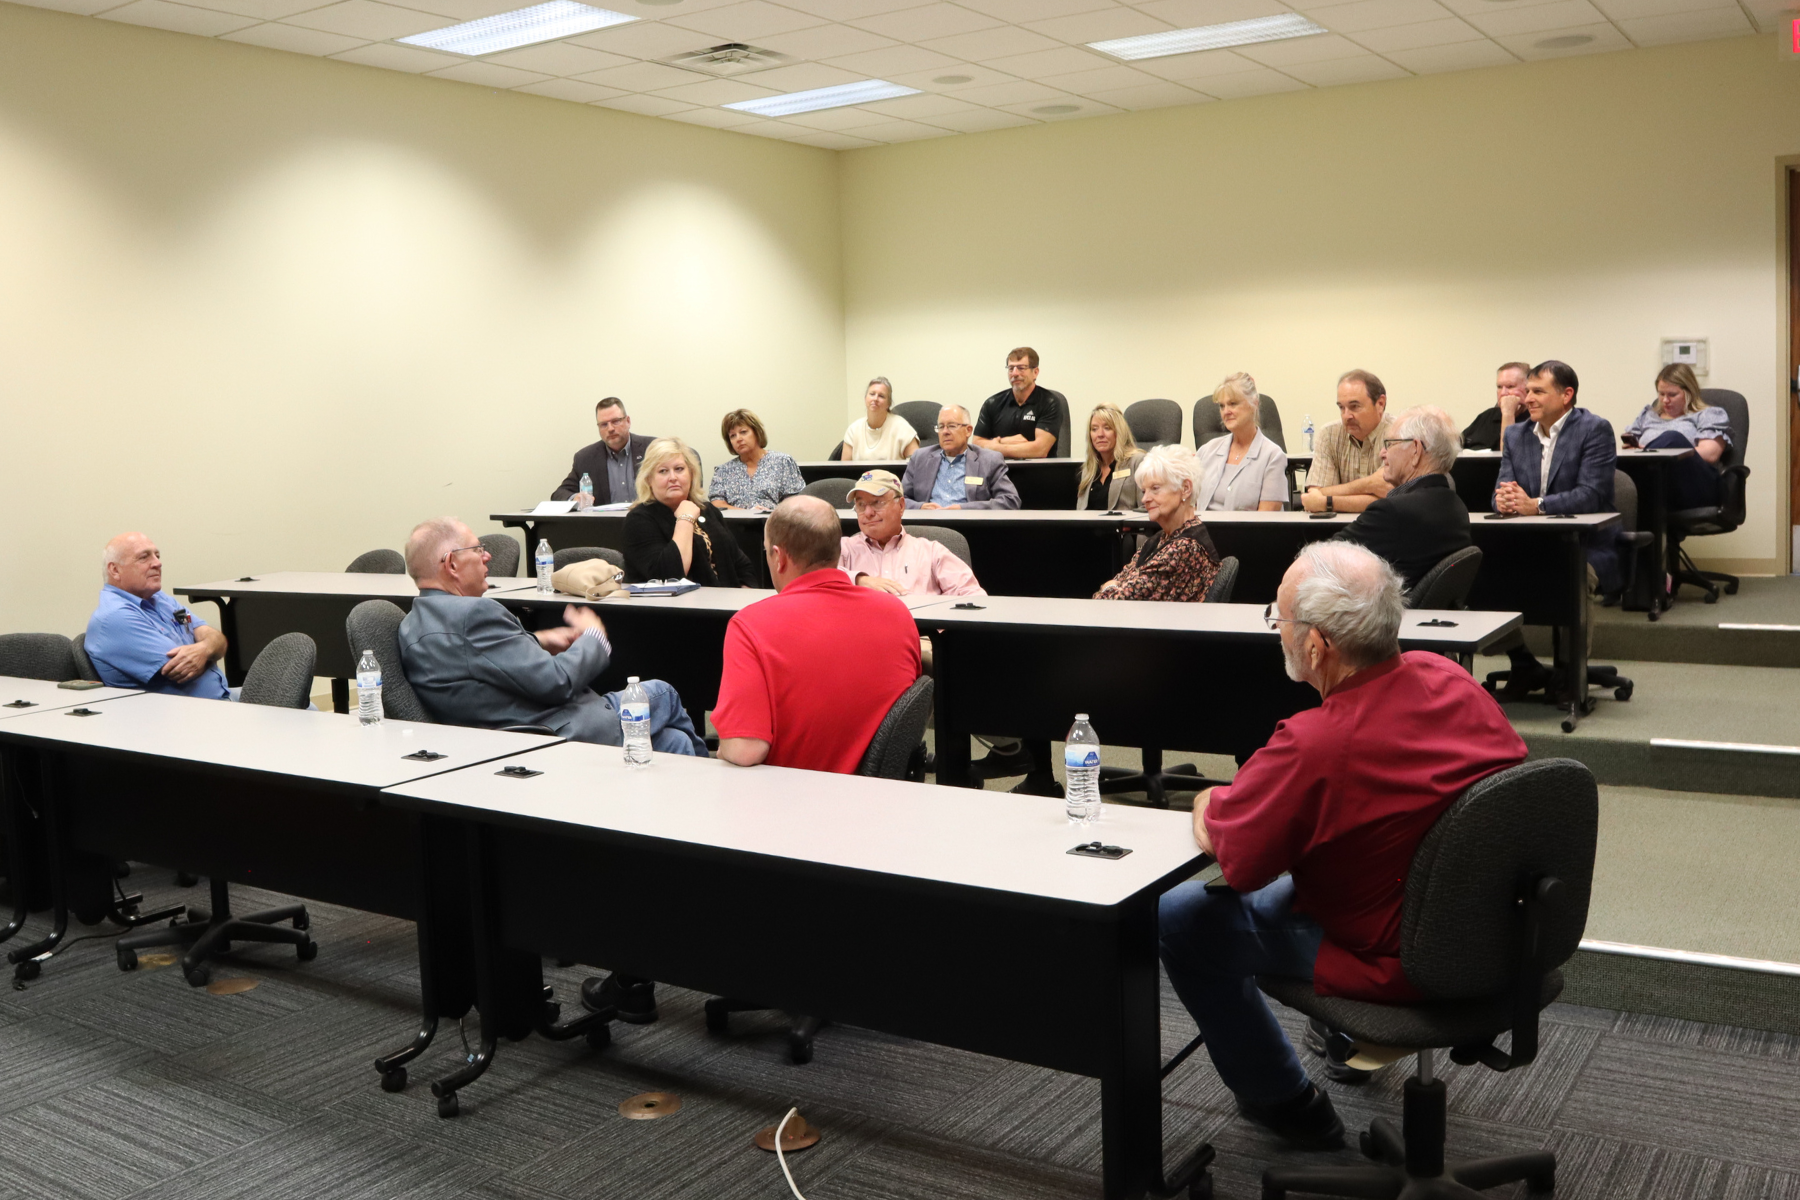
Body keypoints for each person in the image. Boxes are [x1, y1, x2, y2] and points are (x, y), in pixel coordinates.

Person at [1158, 541, 1526, 1148]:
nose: (1276, 630)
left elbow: (1237, 858)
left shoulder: (1316, 744)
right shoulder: (1451, 677)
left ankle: (1286, 1103)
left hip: (1397, 955)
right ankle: (1332, 1045)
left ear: (1316, 645)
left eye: (1279, 618)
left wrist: (1206, 799)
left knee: (1181, 916)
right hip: (1490, 927)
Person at [397, 516, 705, 754]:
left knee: (674, 742)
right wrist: (593, 637)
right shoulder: (475, 614)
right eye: (478, 550)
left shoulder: (411, 624)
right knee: (663, 692)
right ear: (452, 563)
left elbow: (477, 663)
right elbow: (557, 682)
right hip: (555, 734)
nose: (487, 556)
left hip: (505, 735)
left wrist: (540, 640)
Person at [714, 496, 921, 773]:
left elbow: (744, 750)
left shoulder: (750, 626)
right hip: (883, 792)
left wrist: (720, 749)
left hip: (790, 794)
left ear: (779, 557)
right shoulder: (897, 614)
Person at [1492, 360, 1619, 697]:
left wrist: (1536, 505)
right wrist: (1503, 501)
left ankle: (1570, 672)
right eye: (1527, 391)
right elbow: (1501, 488)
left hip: (1585, 544)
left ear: (1566, 395)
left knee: (1571, 575)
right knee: (1481, 572)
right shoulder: (1516, 434)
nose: (1527, 398)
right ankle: (1522, 662)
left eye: (1538, 391)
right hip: (1531, 543)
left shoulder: (1594, 429)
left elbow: (1591, 495)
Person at [1334, 406, 1472, 591]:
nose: (1382, 453)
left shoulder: (1393, 512)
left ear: (1415, 450)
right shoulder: (1457, 506)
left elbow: (1323, 558)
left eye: (1390, 444)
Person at [85, 532, 230, 699]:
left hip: (221, 700)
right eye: (144, 557)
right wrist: (209, 648)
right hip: (186, 712)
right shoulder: (116, 617)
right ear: (115, 570)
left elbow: (206, 632)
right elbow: (185, 666)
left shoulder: (164, 601)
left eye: (157, 556)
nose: (157, 563)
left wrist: (204, 649)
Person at [1094, 445, 1221, 602]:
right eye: (1144, 491)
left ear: (1185, 488)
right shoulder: (1163, 538)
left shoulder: (1184, 548)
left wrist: (1108, 587)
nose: (1144, 499)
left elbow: (1111, 601)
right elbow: (1122, 581)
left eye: (1155, 488)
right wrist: (1114, 586)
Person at [622, 438, 753, 586]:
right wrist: (685, 518)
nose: (673, 478)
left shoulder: (707, 509)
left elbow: (741, 563)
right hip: (679, 600)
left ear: (691, 473)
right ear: (649, 480)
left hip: (728, 598)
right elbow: (669, 576)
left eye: (679, 469)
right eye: (663, 471)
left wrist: (745, 591)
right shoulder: (638, 520)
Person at [840, 470, 986, 599]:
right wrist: (859, 580)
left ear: (901, 505)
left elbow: (973, 596)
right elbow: (825, 577)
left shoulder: (931, 552)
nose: (868, 513)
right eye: (861, 505)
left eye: (877, 502)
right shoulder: (843, 549)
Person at [1620, 363, 1730, 510]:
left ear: (1689, 392)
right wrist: (1635, 450)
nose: (1665, 400)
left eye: (1672, 395)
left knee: (1673, 439)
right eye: (1661, 394)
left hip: (1696, 486)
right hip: (1656, 486)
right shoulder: (1647, 415)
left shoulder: (1708, 414)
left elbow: (1710, 454)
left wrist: (1655, 452)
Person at [1301, 370, 1392, 514]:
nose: (1346, 416)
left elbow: (1391, 499)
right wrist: (1369, 484)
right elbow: (1315, 495)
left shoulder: (1398, 434)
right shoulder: (1329, 434)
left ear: (1380, 404)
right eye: (1341, 407)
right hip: (1337, 526)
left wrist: (1327, 502)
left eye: (1355, 406)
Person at [1194, 372, 1289, 512]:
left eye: (1233, 404)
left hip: (1249, 527)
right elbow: (1191, 508)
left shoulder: (1272, 456)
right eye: (1222, 406)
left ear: (1254, 404)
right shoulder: (1206, 451)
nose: (1226, 411)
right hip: (1203, 526)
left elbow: (1267, 521)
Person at [901, 406, 1021, 510]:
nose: (945, 432)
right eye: (941, 427)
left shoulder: (989, 460)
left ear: (968, 431)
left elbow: (1010, 500)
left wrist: (963, 509)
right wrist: (920, 507)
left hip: (968, 525)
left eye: (951, 426)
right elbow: (898, 499)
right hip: (927, 525)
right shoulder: (920, 458)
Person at [553, 397, 654, 507]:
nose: (610, 429)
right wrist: (574, 498)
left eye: (616, 421)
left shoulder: (652, 448)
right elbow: (560, 493)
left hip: (646, 517)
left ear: (628, 421)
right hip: (605, 518)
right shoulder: (585, 458)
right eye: (604, 424)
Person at [972, 347, 1063, 460]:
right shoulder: (992, 403)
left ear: (1035, 372)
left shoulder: (1050, 402)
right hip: (999, 469)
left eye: (1021, 368)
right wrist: (1005, 441)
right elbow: (976, 445)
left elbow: (1040, 450)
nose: (1014, 373)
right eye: (1011, 368)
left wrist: (997, 445)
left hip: (1037, 469)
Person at [709, 409, 805, 512]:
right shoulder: (723, 471)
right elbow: (717, 505)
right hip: (735, 521)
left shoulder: (782, 462)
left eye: (743, 432)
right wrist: (748, 513)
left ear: (756, 432)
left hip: (774, 519)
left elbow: (796, 502)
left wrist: (770, 513)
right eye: (733, 435)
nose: (738, 439)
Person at [1074, 404, 1144, 511]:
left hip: (1123, 522)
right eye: (1094, 429)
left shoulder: (1137, 461)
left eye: (1107, 428)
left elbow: (1146, 509)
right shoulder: (1089, 468)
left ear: (1119, 432)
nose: (1100, 434)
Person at [839, 376, 920, 461]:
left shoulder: (902, 428)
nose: (875, 398)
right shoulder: (853, 430)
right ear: (865, 398)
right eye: (872, 394)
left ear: (888, 403)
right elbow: (844, 467)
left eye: (881, 396)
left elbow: (917, 463)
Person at [1461, 361, 1531, 451]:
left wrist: (1508, 414)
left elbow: (1510, 455)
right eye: (1499, 387)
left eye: (1510, 386)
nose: (1503, 393)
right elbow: (1456, 446)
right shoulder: (1488, 416)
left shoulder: (1536, 420)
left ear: (1528, 389)